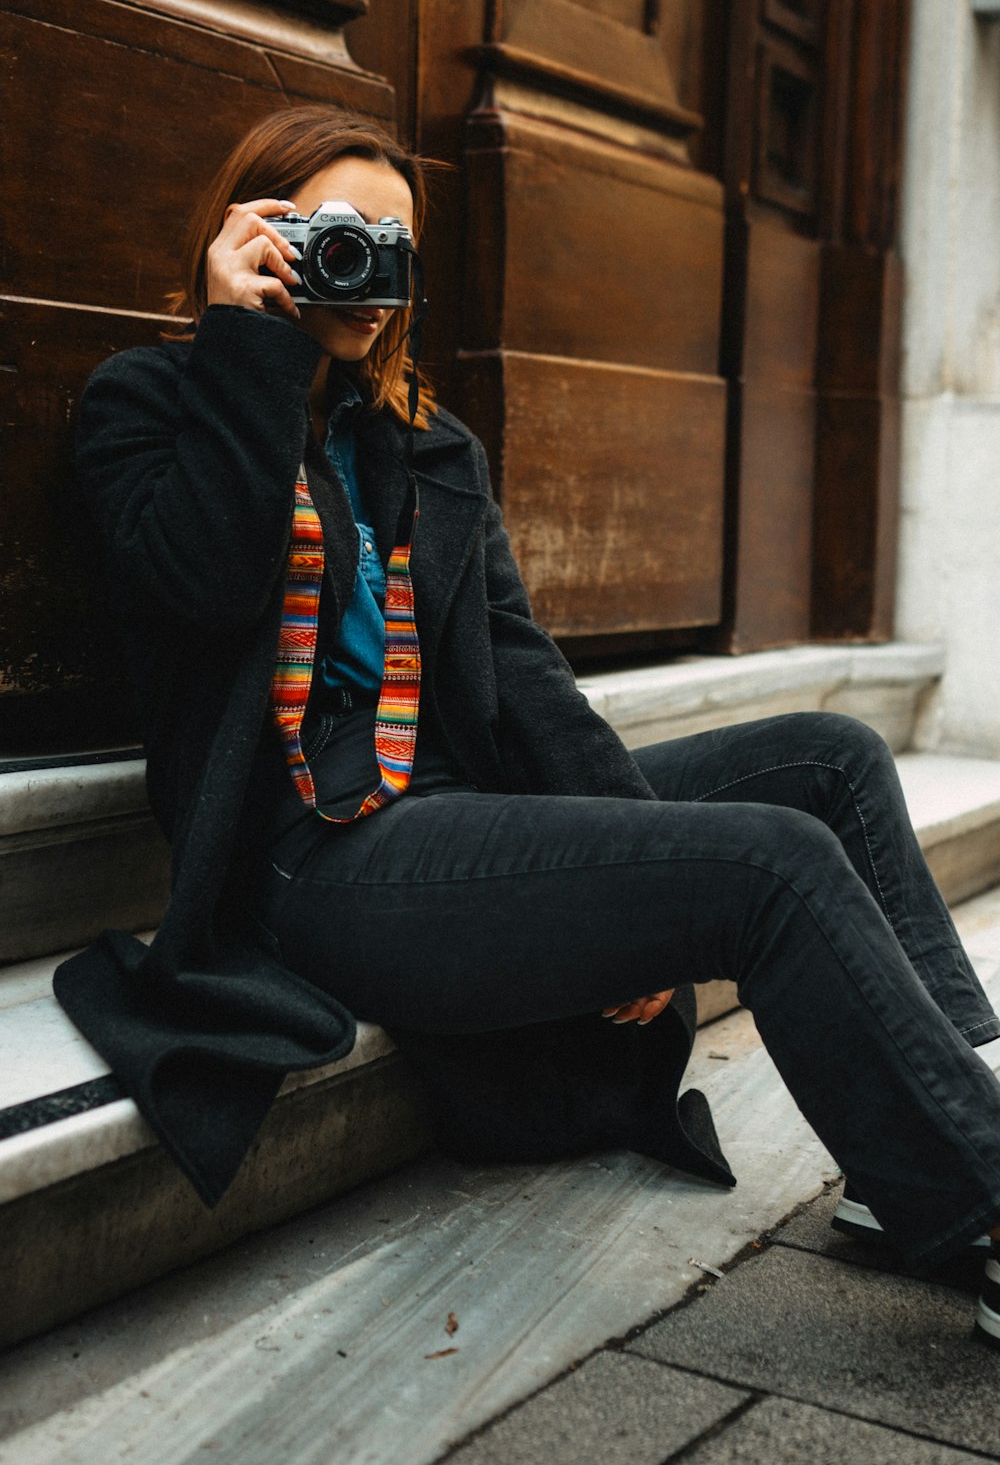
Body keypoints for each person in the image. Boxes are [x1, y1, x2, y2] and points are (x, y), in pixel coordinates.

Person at [55, 105, 1000, 1349]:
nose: (372, 279)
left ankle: (938, 1140)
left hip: (459, 809)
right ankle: (979, 1194)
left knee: (830, 761)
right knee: (765, 861)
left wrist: (626, 889)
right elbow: (202, 587)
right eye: (338, 238)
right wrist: (246, 345)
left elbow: (528, 680)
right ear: (255, 235)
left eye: (396, 249)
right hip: (321, 856)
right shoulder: (153, 404)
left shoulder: (427, 446)